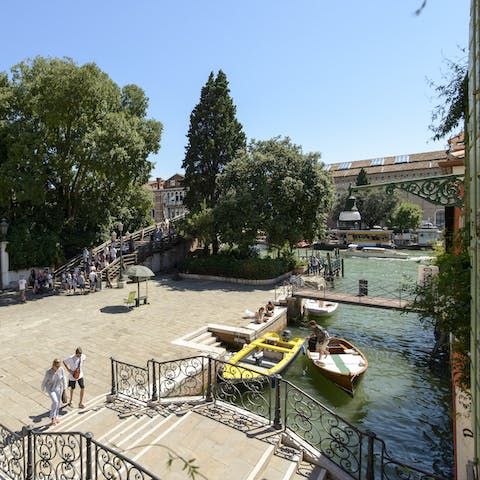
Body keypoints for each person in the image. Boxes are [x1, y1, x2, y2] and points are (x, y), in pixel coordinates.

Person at [41, 358, 67, 425]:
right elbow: (45, 380)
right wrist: (43, 387)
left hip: (58, 388)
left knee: (58, 403)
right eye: (57, 366)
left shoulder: (61, 369)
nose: (58, 367)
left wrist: (65, 388)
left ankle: (56, 416)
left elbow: (64, 378)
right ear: (53, 365)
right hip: (50, 389)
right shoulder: (48, 372)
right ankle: (52, 417)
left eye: (59, 366)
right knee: (55, 401)